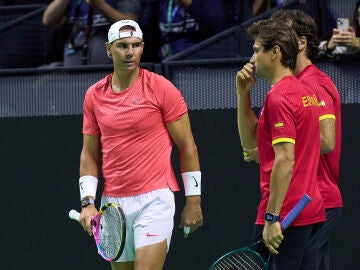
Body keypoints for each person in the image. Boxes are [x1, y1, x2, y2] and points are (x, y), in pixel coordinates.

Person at [77, 20, 203, 270]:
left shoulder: (161, 89)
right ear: (109, 49)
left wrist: (194, 201)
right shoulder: (94, 95)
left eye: (135, 45)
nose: (129, 52)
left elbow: (187, 146)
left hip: (155, 199)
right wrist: (87, 202)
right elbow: (89, 154)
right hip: (113, 204)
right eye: (122, 46)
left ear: (142, 48)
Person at [236, 19, 326, 269]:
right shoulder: (303, 91)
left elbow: (285, 159)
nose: (252, 59)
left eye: (256, 50)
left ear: (274, 52)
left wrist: (272, 217)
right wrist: (243, 94)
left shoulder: (279, 97)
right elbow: (250, 140)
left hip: (285, 213)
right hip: (309, 208)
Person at [271, 9, 343, 270]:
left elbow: (327, 141)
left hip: (319, 197)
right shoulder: (293, 84)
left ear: (301, 43)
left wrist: (281, 149)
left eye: (284, 36)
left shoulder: (314, 84)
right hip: (308, 199)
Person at [42, 0, 142, 66]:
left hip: (110, 67)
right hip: (74, 65)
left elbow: (131, 24)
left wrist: (100, 5)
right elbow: (48, 20)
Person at [140, 0, 227, 61]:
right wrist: (153, 5)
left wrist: (190, 5)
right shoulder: (161, 3)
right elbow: (149, 42)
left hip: (198, 62)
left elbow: (220, 29)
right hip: (166, 62)